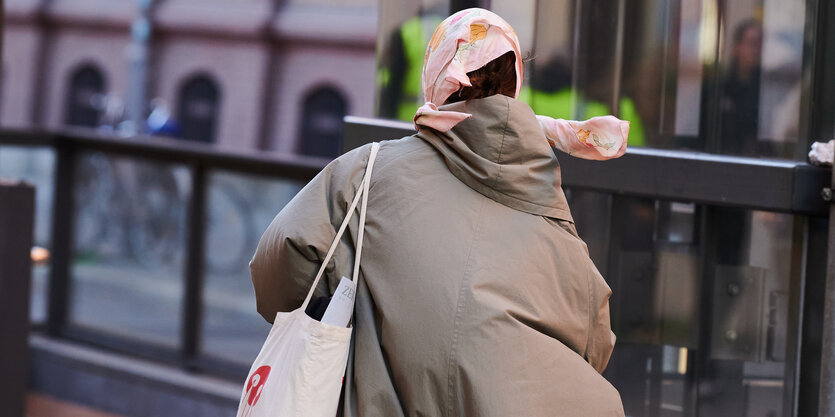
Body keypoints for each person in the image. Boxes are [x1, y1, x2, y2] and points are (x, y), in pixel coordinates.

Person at [250, 8, 627, 416]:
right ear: (516, 84)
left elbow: (277, 273)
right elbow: (597, 342)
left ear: (434, 76)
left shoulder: (367, 173)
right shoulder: (551, 210)